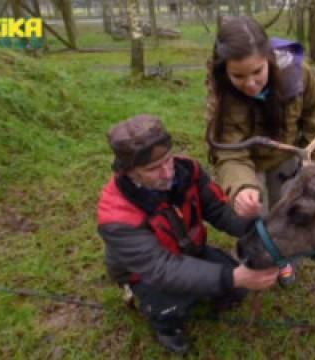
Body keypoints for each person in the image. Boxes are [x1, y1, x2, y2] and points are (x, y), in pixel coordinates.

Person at [97, 114, 279, 354]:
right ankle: (166, 326)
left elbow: (217, 210)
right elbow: (162, 269)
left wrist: (252, 222)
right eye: (153, 168)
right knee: (173, 305)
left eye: (168, 159)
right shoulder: (116, 218)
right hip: (145, 275)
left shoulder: (187, 171)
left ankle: (208, 287)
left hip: (191, 250)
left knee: (236, 291)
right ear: (129, 172)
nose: (167, 172)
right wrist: (232, 276)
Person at [205, 16, 315, 218]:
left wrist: (310, 162)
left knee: (289, 216)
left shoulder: (298, 74)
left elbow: (314, 118)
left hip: (288, 159)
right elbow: (228, 151)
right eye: (238, 76)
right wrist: (241, 187)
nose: (251, 84)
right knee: (254, 219)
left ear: (269, 59)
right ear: (224, 71)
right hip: (247, 165)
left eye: (257, 71)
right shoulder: (220, 95)